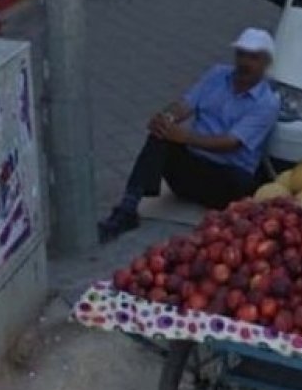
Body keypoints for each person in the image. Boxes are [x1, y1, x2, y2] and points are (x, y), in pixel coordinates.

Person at [98, 28, 280, 242]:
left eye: (253, 57)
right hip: (192, 171)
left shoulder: (267, 102)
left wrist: (185, 137)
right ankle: (128, 207)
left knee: (242, 182)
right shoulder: (217, 74)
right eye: (241, 54)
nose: (244, 62)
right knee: (161, 133)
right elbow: (185, 105)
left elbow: (232, 143)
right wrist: (165, 118)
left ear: (266, 63)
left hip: (227, 179)